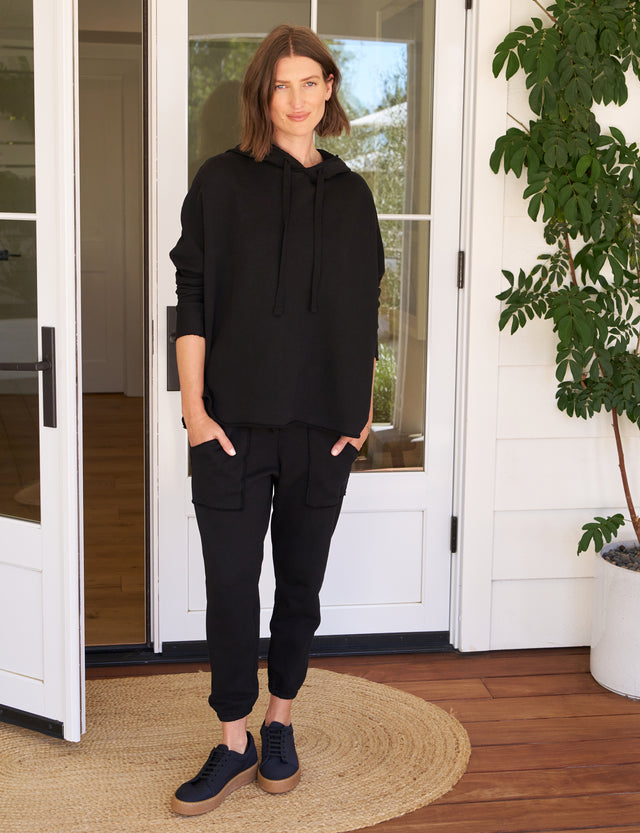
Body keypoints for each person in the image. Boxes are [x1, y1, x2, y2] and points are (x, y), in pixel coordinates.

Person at [169, 23, 384, 817]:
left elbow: (364, 310)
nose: (295, 98)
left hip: (320, 433)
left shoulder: (356, 195)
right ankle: (234, 740)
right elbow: (190, 299)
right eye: (279, 84)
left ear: (329, 89)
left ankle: (280, 719)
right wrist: (193, 409)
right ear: (263, 95)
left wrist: (361, 413)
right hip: (228, 427)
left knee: (300, 586)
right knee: (231, 587)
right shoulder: (220, 183)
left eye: (309, 82)